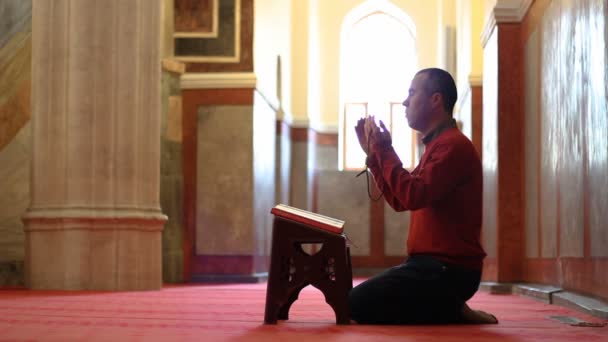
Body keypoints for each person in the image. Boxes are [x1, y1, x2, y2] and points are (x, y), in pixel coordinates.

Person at [349, 68, 497, 325]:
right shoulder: (437, 145)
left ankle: (450, 308)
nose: (406, 102)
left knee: (354, 304)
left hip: (448, 271)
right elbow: (399, 201)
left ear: (435, 99)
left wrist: (384, 149)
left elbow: (412, 195)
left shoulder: (453, 145)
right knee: (357, 301)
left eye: (411, 93)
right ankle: (449, 306)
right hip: (430, 268)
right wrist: (374, 157)